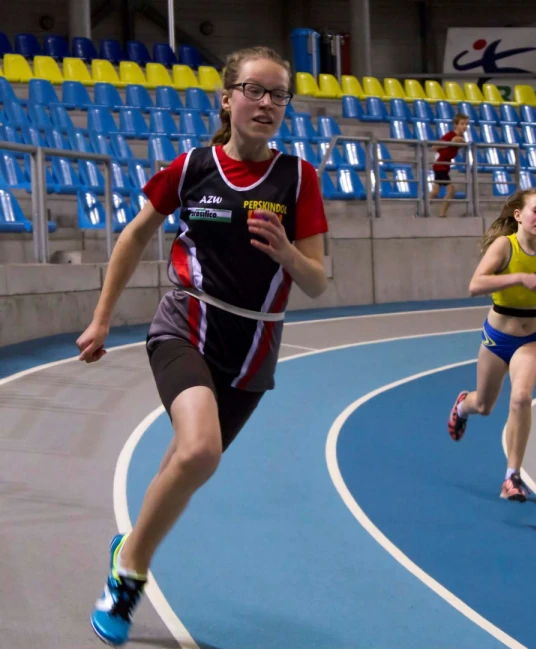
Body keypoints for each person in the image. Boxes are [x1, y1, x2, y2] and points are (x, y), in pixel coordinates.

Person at [77, 45, 329, 646]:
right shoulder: (192, 168)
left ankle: (127, 548)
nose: (266, 104)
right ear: (227, 97)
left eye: (278, 95)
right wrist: (102, 318)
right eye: (254, 90)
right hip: (185, 325)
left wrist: (286, 252)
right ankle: (129, 577)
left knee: (185, 463)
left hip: (252, 348)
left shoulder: (298, 178)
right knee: (198, 452)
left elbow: (317, 280)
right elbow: (135, 236)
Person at [447, 188, 536, 501]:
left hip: (533, 337)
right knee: (485, 406)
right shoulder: (505, 246)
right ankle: (463, 405)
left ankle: (511, 477)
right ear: (518, 215)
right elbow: (475, 285)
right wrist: (518, 278)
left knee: (521, 397)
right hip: (498, 337)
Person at [429, 113, 469, 217]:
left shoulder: (461, 136)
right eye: (462, 124)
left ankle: (420, 211)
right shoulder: (450, 135)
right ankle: (442, 214)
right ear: (456, 125)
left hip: (445, 166)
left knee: (434, 192)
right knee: (451, 190)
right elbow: (435, 146)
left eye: (466, 124)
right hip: (441, 165)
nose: (464, 126)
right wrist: (451, 142)